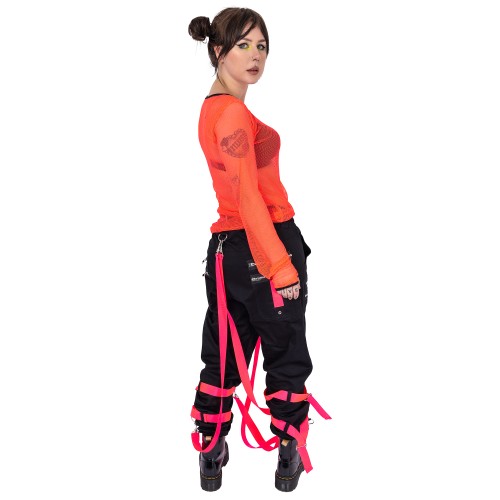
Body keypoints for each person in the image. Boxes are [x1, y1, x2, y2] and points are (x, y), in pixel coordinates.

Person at [187, 7, 330, 493]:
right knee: (285, 352)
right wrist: (281, 267)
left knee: (223, 352)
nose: (255, 56)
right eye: (243, 45)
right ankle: (288, 454)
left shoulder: (213, 109)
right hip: (264, 247)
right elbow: (249, 196)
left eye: (262, 46)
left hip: (226, 253)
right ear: (217, 50)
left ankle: (211, 450)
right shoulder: (231, 113)